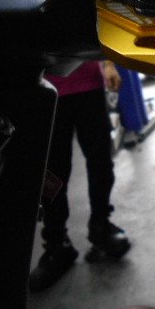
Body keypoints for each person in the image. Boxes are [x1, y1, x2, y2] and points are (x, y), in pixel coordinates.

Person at [29, 60, 131, 292]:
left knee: (101, 163)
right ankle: (57, 244)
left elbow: (98, 36)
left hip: (90, 85)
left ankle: (101, 226)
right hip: (49, 90)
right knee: (53, 175)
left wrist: (109, 64)